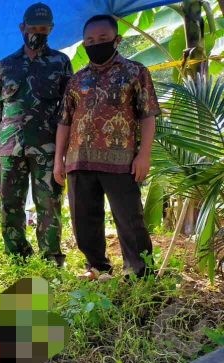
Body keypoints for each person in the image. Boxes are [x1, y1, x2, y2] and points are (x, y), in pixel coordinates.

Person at [55, 15, 160, 280]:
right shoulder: (76, 80)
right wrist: (59, 159)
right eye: (90, 40)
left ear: (117, 40)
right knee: (83, 220)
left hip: (121, 160)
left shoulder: (135, 72)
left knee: (129, 219)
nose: (95, 44)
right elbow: (64, 122)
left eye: (102, 39)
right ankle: (97, 267)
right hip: (79, 160)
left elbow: (148, 115)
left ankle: (139, 272)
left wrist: (144, 155)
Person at [0, 3, 71, 266]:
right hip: (9, 147)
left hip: (48, 149)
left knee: (49, 205)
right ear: (22, 28)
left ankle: (51, 257)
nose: (37, 33)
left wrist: (65, 152)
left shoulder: (60, 63)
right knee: (9, 204)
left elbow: (69, 109)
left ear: (50, 29)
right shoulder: (7, 65)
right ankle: (17, 255)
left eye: (43, 29)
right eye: (32, 28)